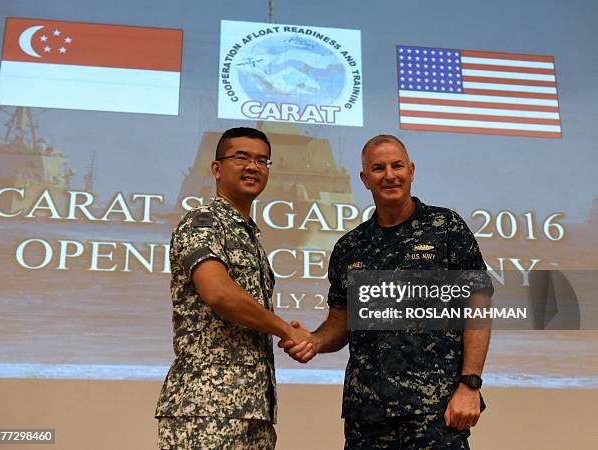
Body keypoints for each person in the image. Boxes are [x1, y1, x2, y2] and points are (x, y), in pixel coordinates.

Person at [281, 135, 493, 449]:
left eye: (397, 166)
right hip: (367, 416)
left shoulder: (445, 227)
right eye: (378, 168)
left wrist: (470, 384)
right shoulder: (349, 248)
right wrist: (314, 341)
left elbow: (478, 307)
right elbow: (341, 322)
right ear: (366, 179)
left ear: (411, 170)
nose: (390, 175)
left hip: (434, 410)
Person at [155, 127, 312, 449]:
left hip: (253, 410)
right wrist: (285, 329)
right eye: (241, 158)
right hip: (205, 408)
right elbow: (219, 293)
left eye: (261, 161)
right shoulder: (203, 221)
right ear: (216, 168)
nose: (253, 167)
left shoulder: (251, 236)